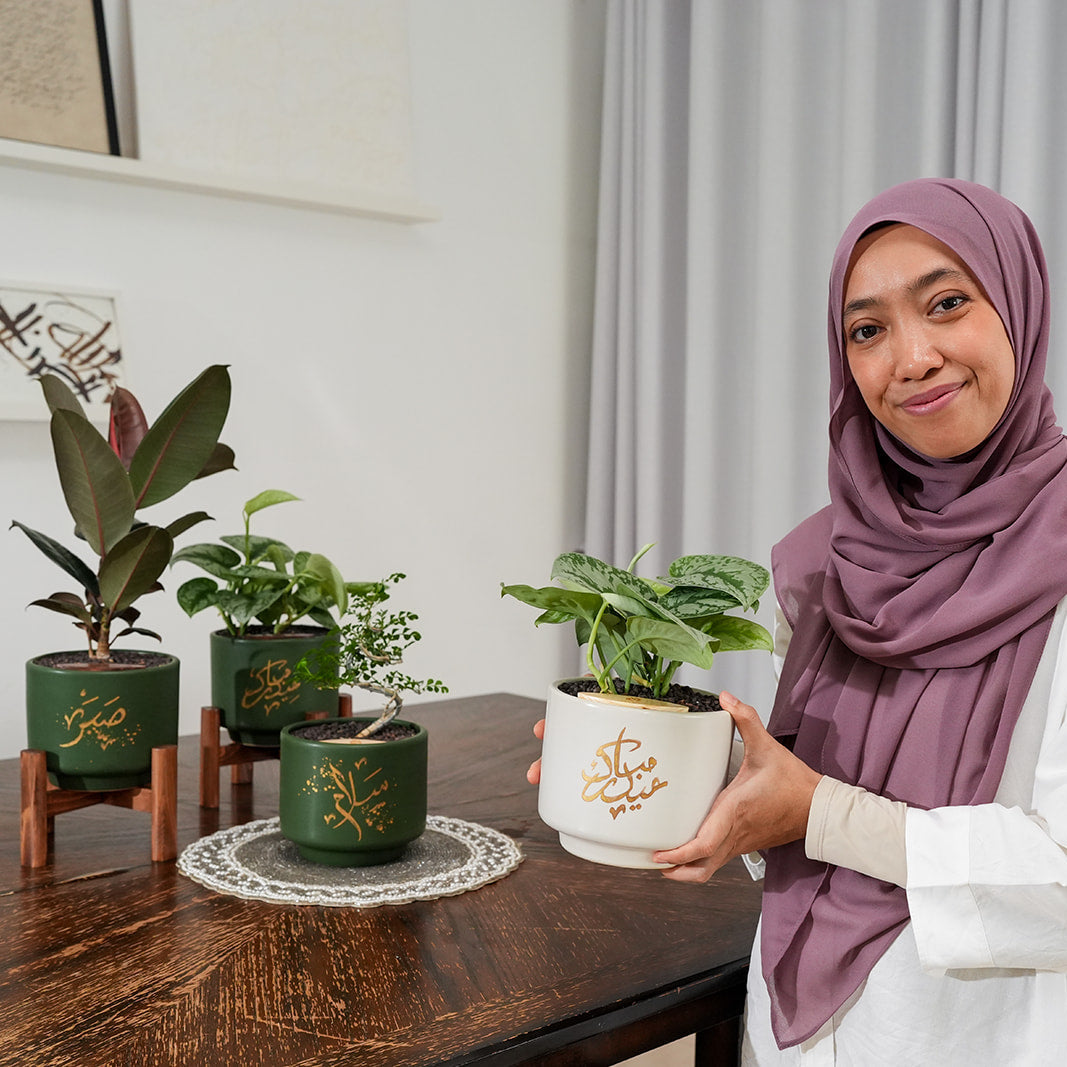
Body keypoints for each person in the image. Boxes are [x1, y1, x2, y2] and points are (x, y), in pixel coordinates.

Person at [529, 178, 1067, 1064]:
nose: (912, 356)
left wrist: (816, 812)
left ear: (1018, 304)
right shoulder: (834, 561)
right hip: (800, 1029)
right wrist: (666, 775)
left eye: (945, 303)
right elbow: (795, 797)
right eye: (867, 329)